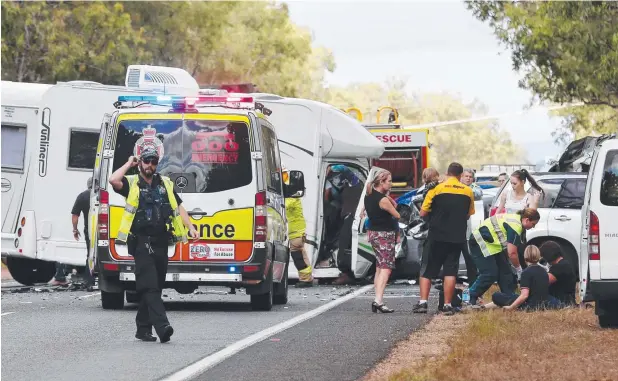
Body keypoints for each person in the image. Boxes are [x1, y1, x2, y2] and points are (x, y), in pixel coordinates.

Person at [109, 146, 198, 343]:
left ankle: (142, 329)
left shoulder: (165, 183)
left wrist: (190, 227)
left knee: (154, 286)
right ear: (140, 163)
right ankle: (162, 326)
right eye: (147, 161)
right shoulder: (132, 183)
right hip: (141, 242)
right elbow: (113, 180)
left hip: (161, 242)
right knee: (150, 287)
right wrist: (129, 164)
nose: (150, 165)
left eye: (154, 162)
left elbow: (178, 207)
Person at [413, 162, 474, 316]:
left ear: (447, 173)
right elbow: (468, 214)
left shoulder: (436, 189)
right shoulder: (468, 191)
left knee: (427, 269)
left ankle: (423, 303)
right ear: (460, 175)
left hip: (436, 236)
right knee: (450, 271)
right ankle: (447, 305)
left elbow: (422, 213)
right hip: (456, 237)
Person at [467, 208, 541, 306]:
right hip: (480, 241)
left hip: (493, 244)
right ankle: (470, 297)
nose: (533, 227)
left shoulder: (516, 219)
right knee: (490, 273)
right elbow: (512, 253)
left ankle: (509, 298)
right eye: (533, 224)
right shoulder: (516, 226)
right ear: (527, 220)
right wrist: (519, 269)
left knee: (505, 271)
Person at [365, 169, 400, 313]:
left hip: (373, 233)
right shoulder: (383, 200)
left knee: (379, 266)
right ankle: (378, 300)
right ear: (381, 182)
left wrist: (387, 195)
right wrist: (388, 198)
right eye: (389, 181)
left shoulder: (369, 195)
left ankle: (377, 298)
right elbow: (397, 213)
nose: (391, 184)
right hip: (384, 235)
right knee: (386, 268)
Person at [50, 177, 95, 288]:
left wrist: (75, 230)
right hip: (105, 229)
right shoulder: (104, 194)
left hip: (89, 230)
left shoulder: (82, 196)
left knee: (90, 255)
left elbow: (75, 215)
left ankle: (89, 282)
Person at [490, 245, 558, 311]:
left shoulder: (526, 273)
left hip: (530, 306)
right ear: (539, 256)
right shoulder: (544, 271)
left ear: (525, 257)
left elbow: (524, 296)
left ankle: (484, 307)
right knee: (513, 296)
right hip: (545, 303)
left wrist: (511, 307)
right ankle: (484, 307)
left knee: (496, 296)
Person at [282, 167, 314, 288]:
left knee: (298, 256)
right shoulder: (292, 195)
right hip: (295, 231)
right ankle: (306, 277)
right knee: (300, 255)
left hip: (296, 232)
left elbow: (284, 205)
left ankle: (306, 279)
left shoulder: (292, 198)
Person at [460, 168, 482, 284]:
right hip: (458, 229)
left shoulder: (475, 188)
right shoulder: (456, 187)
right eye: (466, 176)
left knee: (470, 259)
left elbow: (478, 194)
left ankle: (473, 283)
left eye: (470, 176)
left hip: (471, 229)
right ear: (461, 177)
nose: (468, 178)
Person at [539, 240, 577, 306]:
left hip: (561, 301)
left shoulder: (559, 267)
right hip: (565, 300)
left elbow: (542, 282)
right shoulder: (564, 264)